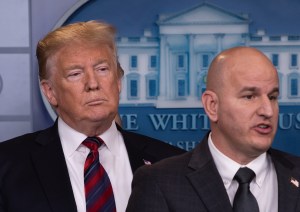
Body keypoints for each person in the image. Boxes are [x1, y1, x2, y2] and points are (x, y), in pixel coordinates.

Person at [0, 20, 185, 212]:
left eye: (102, 69)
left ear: (118, 82)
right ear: (50, 92)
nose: (93, 83)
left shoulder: (172, 163)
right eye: (75, 74)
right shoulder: (7, 167)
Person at [126, 46, 300, 212]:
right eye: (249, 96)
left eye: (272, 97)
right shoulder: (160, 182)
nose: (267, 111)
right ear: (212, 106)